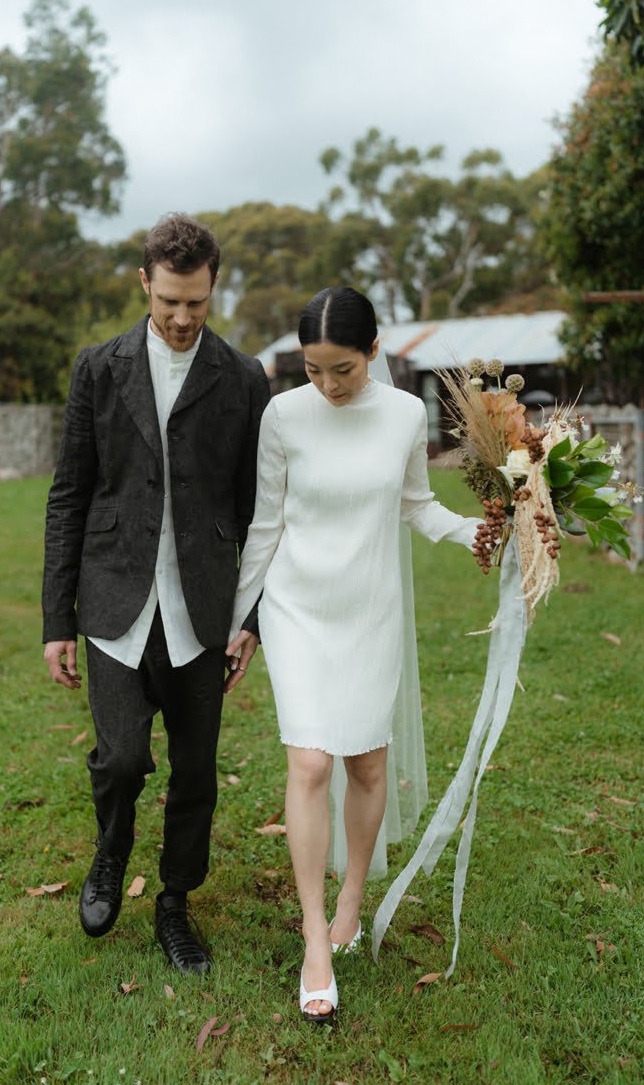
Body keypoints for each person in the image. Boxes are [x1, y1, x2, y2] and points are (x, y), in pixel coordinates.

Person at [226, 287, 481, 1020]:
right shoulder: (283, 415)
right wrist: (241, 618)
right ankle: (314, 937)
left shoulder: (403, 414)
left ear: (373, 350)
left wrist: (480, 532)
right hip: (298, 609)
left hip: (370, 609)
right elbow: (266, 524)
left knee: (368, 764)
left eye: (343, 368)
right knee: (310, 762)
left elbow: (414, 504)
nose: (329, 385)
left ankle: (351, 901)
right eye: (314, 370)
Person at [42, 213, 270, 974]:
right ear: (145, 282)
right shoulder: (97, 369)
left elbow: (260, 511)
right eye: (169, 300)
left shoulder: (244, 378)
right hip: (114, 601)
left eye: (196, 303)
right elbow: (69, 496)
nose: (181, 317)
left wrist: (252, 617)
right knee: (121, 760)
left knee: (195, 773)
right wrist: (56, 620)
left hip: (203, 611)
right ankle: (111, 852)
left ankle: (174, 904)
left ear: (214, 289)